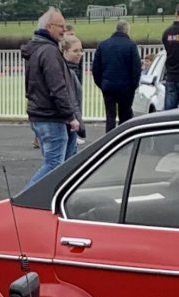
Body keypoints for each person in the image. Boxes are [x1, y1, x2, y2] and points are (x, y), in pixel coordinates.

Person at [22, 7, 83, 186]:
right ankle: (26, 198)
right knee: (54, 164)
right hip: (51, 117)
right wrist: (70, 116)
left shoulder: (36, 50)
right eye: (61, 26)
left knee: (63, 163)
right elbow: (57, 88)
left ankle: (53, 197)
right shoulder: (49, 52)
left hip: (42, 114)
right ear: (49, 27)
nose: (64, 30)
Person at [91, 19, 142, 132]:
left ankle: (109, 139)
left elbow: (96, 68)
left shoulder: (103, 45)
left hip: (108, 85)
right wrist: (133, 85)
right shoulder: (131, 46)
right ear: (127, 30)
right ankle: (124, 138)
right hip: (126, 87)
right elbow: (136, 68)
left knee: (110, 116)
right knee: (125, 115)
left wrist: (102, 83)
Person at [59, 33, 88, 158]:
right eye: (75, 51)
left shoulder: (72, 71)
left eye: (81, 50)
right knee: (62, 162)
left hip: (69, 122)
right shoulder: (67, 72)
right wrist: (79, 124)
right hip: (68, 123)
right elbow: (72, 100)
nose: (80, 53)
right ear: (64, 52)